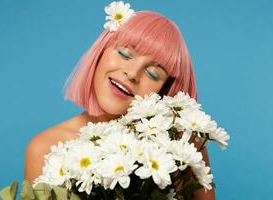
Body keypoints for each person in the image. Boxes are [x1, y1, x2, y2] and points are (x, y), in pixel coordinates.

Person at [24, 2, 215, 199]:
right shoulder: (43, 149)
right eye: (125, 53)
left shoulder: (182, 147)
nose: (132, 73)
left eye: (153, 73)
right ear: (100, 52)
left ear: (164, 90)